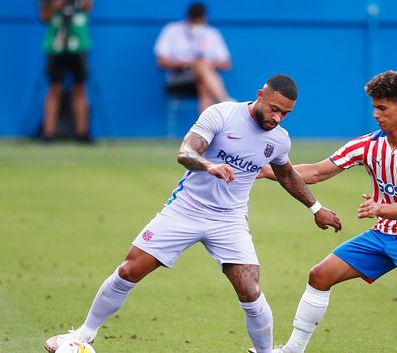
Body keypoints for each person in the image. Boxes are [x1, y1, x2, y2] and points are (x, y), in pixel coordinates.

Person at [43, 74, 342, 353]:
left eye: (285, 114)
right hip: (186, 210)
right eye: (274, 108)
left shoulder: (278, 139)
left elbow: (287, 174)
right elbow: (185, 152)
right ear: (260, 96)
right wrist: (209, 165)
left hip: (229, 220)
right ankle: (83, 334)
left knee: (250, 290)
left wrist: (316, 208)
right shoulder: (221, 115)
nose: (277, 118)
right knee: (129, 270)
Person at [257, 71, 397, 352]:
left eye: (382, 108)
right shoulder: (368, 144)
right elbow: (315, 172)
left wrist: (380, 207)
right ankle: (292, 350)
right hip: (383, 233)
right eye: (374, 107)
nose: (375, 114)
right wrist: (268, 171)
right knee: (320, 275)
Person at [38, 0, 92, 143]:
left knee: (80, 87)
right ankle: (48, 132)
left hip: (78, 43)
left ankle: (82, 133)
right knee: (54, 87)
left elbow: (88, 7)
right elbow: (44, 16)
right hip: (57, 44)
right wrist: (54, 6)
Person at [154, 2, 234, 112]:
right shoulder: (172, 30)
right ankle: (225, 101)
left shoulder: (212, 33)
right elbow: (161, 62)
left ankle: (206, 128)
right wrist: (188, 63)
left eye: (199, 21)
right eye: (193, 21)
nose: (196, 24)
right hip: (178, 79)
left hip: (205, 79)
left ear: (204, 19)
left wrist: (208, 64)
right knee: (201, 68)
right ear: (188, 18)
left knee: (204, 84)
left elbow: (226, 64)